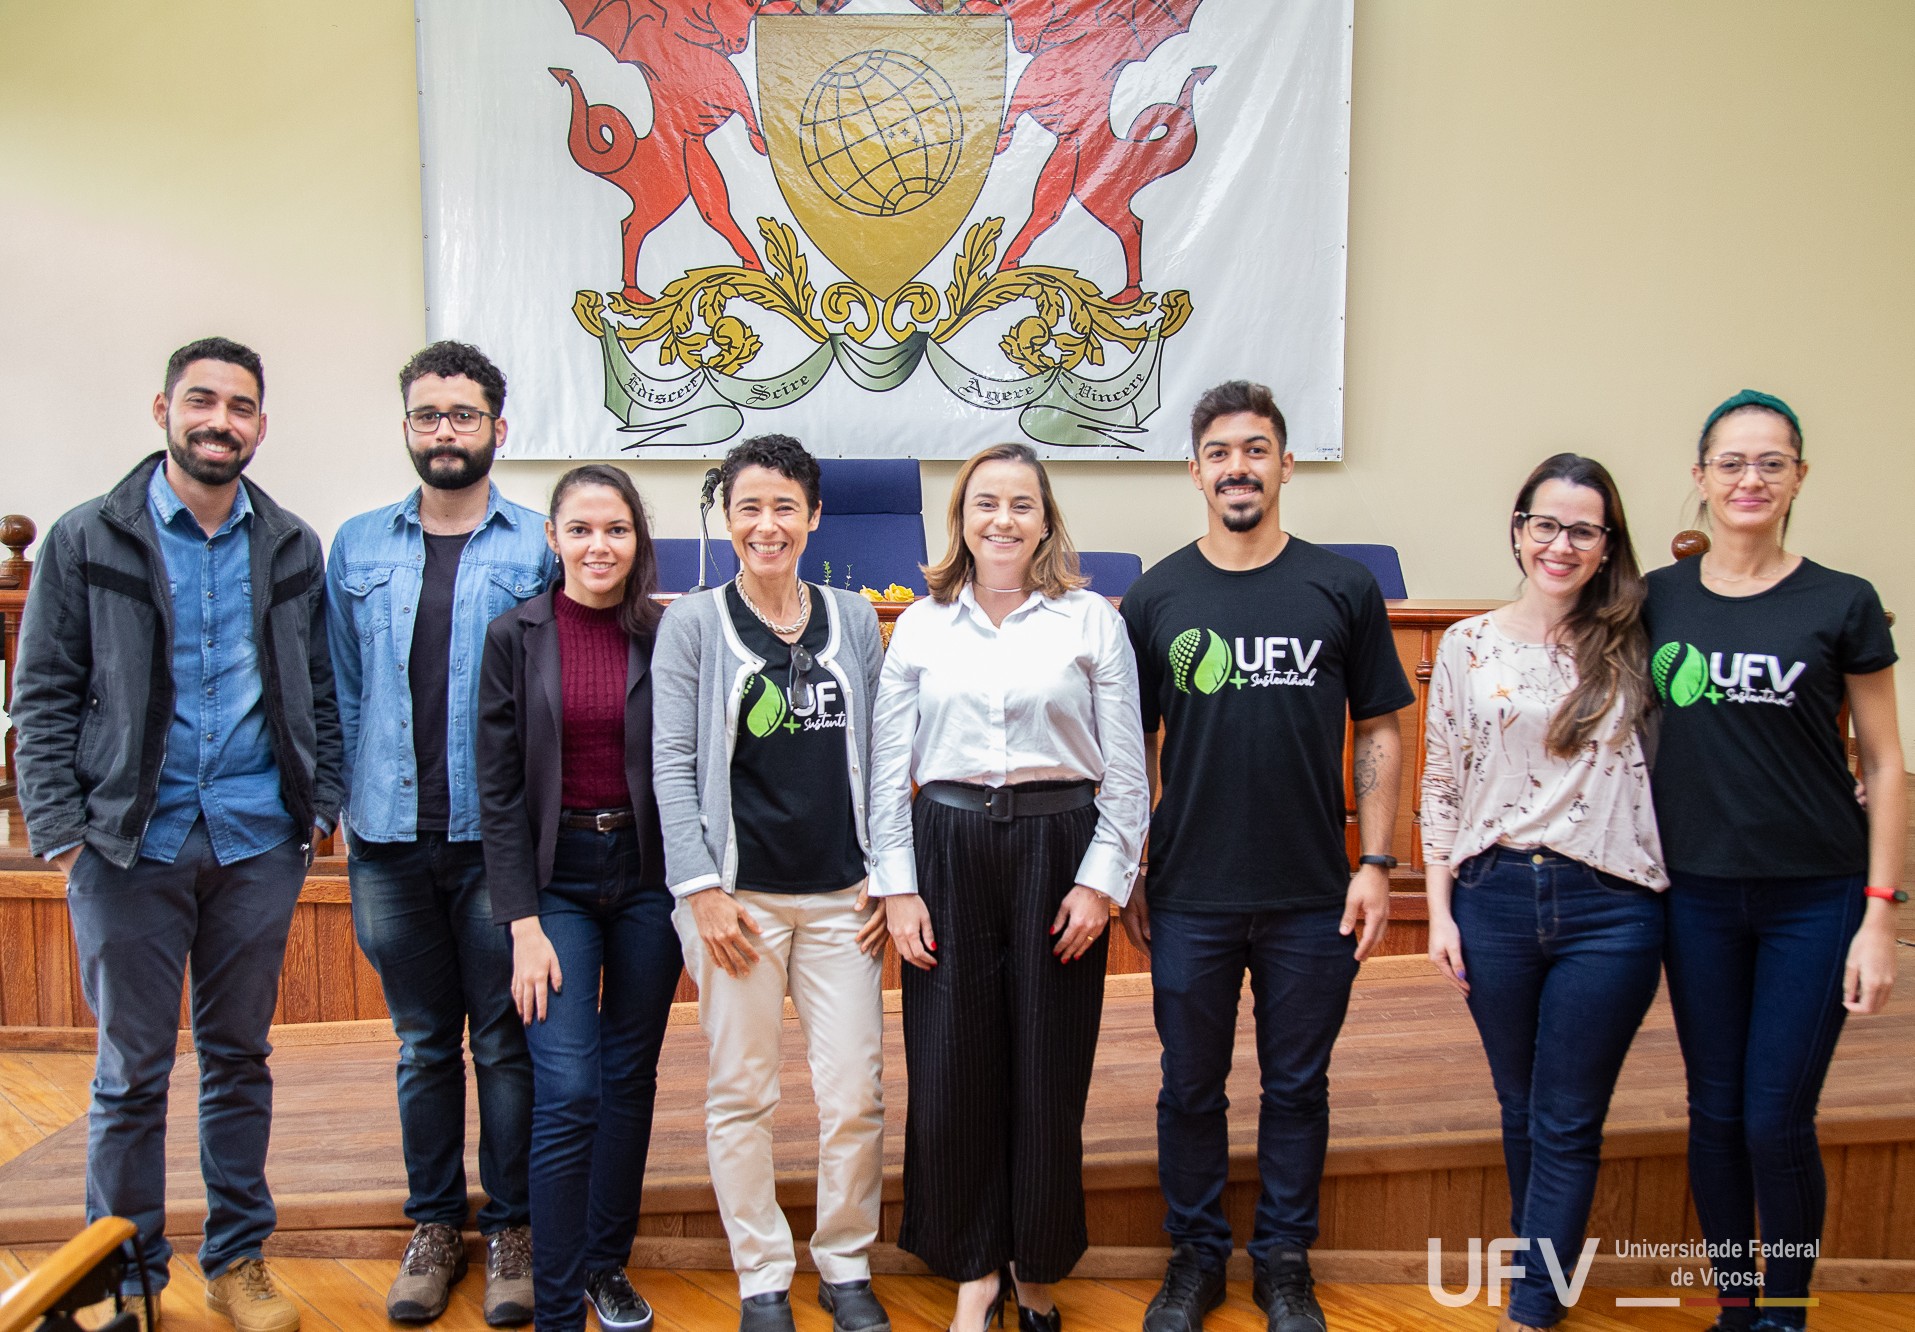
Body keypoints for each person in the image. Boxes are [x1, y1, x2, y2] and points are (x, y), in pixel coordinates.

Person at [11, 337, 342, 1332]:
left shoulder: (290, 545)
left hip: (254, 844)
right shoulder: (86, 539)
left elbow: (320, 691)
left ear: (261, 426)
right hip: (125, 848)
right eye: (203, 401)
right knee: (129, 1073)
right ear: (163, 408)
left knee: (238, 1058)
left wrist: (315, 809)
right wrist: (65, 836)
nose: (220, 422)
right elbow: (42, 696)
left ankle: (237, 1259)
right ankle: (123, 1276)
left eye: (240, 407)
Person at [1118, 381, 1414, 1332]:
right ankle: (1196, 1257)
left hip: (1309, 894)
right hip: (1191, 890)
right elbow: (1131, 748)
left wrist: (1376, 863)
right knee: (1188, 1086)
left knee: (1296, 1087)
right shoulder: (1157, 595)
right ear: (1194, 469)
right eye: (1219, 451)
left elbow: (1379, 728)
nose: (1237, 466)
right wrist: (1132, 862)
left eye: (1256, 449)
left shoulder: (1342, 587)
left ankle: (1284, 1261)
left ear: (1285, 464)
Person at [870, 443, 1149, 1332]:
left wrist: (1102, 884)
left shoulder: (1090, 622)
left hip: (1058, 847)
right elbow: (885, 773)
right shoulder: (919, 624)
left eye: (1020, 504)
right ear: (960, 518)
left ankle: (1036, 1261)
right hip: (945, 845)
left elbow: (1129, 776)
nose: (1001, 519)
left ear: (1045, 518)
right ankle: (972, 1267)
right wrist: (899, 890)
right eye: (984, 503)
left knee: (1047, 1065)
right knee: (952, 1065)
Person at [1646, 391, 1903, 1332]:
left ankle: (1786, 1315)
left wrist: (1880, 915)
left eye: (1770, 462)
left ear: (1798, 477)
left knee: (1773, 1118)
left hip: (1816, 896)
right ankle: (1734, 1307)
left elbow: (1881, 761)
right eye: (1730, 462)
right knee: (1712, 1115)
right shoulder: (1654, 599)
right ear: (1699, 476)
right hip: (1696, 898)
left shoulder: (1840, 602)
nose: (1748, 479)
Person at [324, 341, 550, 1324]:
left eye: (463, 415)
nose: (445, 431)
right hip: (384, 838)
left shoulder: (537, 546)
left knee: (502, 1044)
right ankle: (432, 1227)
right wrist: (335, 808)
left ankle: (511, 1227)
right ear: (408, 427)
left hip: (492, 845)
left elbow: (548, 703)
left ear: (499, 429)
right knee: (423, 1044)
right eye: (428, 415)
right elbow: (336, 689)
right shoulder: (356, 546)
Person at [651, 435, 891, 1332]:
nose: (766, 524)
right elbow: (672, 766)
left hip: (843, 901)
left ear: (814, 516)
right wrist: (700, 889)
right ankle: (760, 1276)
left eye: (784, 507)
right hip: (737, 907)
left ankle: (844, 1263)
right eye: (748, 507)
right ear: (727, 516)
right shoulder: (692, 624)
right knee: (742, 1094)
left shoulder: (855, 618)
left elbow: (885, 752)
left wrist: (887, 875)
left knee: (854, 1095)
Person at [1422, 455, 1666, 1332]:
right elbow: (1441, 778)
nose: (1560, 544)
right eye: (1545, 524)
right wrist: (1440, 910)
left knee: (1564, 1116)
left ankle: (1531, 1307)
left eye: (1583, 529)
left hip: (1611, 905)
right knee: (1520, 1107)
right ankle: (1542, 1273)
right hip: (1491, 898)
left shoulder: (1641, 641)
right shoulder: (1467, 643)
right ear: (1519, 529)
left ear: (1607, 546)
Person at [475, 464, 682, 1332]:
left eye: (617, 530)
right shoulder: (512, 635)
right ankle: (556, 1307)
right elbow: (496, 791)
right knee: (568, 1090)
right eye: (582, 529)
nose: (600, 546)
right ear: (553, 538)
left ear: (638, 542)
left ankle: (605, 1265)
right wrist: (521, 923)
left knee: (630, 1076)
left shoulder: (668, 634)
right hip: (553, 883)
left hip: (646, 880)